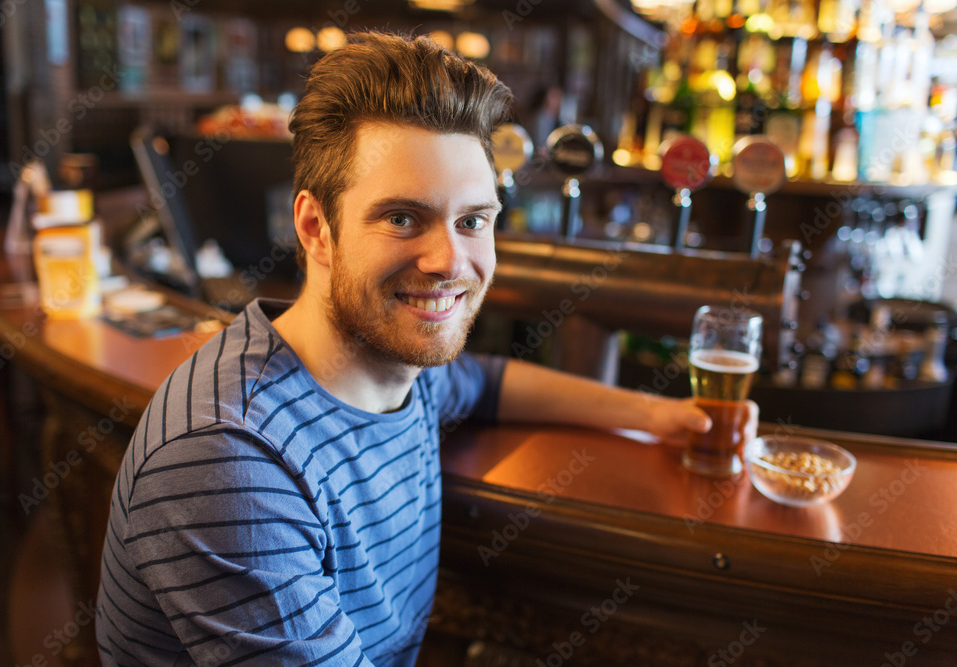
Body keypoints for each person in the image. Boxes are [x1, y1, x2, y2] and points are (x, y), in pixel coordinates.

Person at [95, 31, 725, 666]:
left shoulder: (393, 366)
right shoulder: (229, 458)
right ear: (316, 227)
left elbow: (483, 383)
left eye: (473, 220)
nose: (449, 260)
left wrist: (657, 416)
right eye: (401, 218)